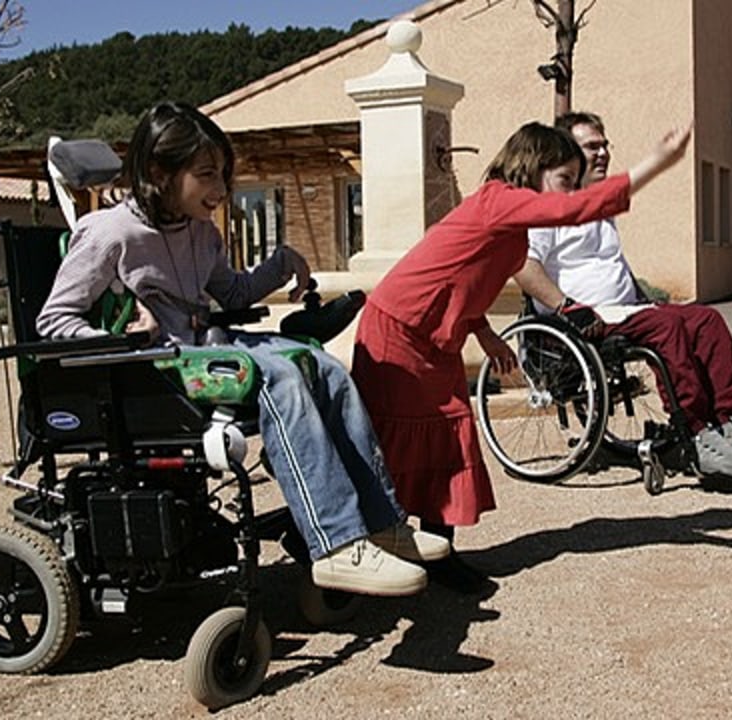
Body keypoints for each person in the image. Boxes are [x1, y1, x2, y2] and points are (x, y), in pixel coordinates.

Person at [36, 101, 449, 597]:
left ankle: (381, 523)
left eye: (223, 174)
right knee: (282, 377)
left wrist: (281, 264)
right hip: (157, 367)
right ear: (157, 172)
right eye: (207, 175)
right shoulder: (108, 233)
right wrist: (122, 340)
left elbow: (229, 294)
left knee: (323, 367)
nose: (220, 189)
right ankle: (337, 544)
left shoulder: (199, 232)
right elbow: (54, 321)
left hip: (205, 350)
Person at [351, 119, 692, 592]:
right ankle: (362, 550)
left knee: (450, 439)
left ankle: (438, 554)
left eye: (574, 182)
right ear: (533, 167)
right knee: (395, 444)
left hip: (435, 338)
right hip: (400, 330)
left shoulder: (512, 229)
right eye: (565, 179)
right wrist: (657, 163)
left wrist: (484, 332)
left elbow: (459, 277)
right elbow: (576, 211)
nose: (570, 191)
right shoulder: (498, 200)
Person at [514, 111, 732, 479]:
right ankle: (696, 432)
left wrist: (646, 300)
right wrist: (568, 308)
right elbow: (524, 266)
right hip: (581, 321)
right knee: (666, 327)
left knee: (707, 319)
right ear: (567, 153)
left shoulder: (598, 207)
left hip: (624, 311)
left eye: (605, 144)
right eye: (592, 146)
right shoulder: (549, 207)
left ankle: (725, 424)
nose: (603, 152)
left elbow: (611, 266)